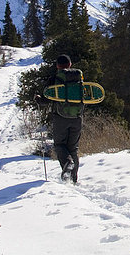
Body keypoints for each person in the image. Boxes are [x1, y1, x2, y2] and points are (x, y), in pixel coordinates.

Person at [36, 54, 84, 183]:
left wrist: (38, 100)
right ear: (70, 64)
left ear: (57, 66)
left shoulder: (54, 79)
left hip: (60, 117)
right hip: (77, 117)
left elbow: (46, 100)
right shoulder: (79, 78)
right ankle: (73, 179)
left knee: (59, 145)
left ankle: (67, 165)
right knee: (73, 148)